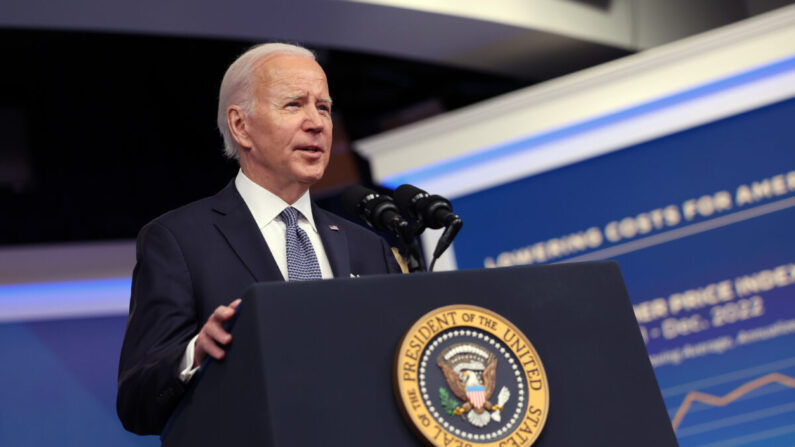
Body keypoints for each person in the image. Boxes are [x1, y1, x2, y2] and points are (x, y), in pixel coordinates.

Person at [116, 43, 402, 435]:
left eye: (323, 107)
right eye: (293, 105)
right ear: (240, 125)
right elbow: (136, 403)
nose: (317, 122)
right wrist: (194, 353)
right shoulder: (179, 240)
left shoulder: (367, 247)